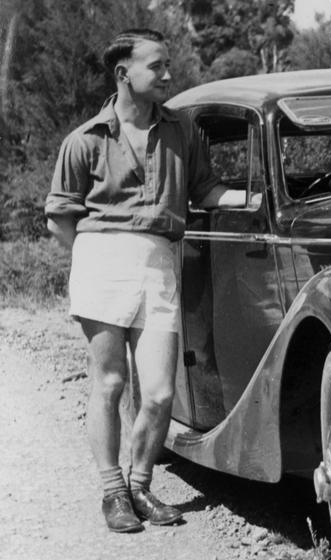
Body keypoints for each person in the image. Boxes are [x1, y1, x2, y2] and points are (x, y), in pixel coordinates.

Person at [45, 29, 249, 533]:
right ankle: (113, 492)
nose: (167, 75)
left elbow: (207, 189)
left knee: (158, 392)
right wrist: (93, 259)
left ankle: (140, 485)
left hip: (159, 259)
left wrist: (252, 202)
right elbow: (58, 217)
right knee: (111, 383)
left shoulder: (181, 131)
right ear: (124, 74)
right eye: (157, 66)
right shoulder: (85, 139)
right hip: (100, 261)